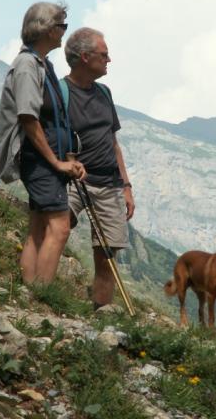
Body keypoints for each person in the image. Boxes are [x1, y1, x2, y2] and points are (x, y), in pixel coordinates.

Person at [0, 2, 85, 284]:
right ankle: (42, 293)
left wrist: (68, 157)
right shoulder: (26, 66)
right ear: (46, 29)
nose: (63, 33)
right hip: (38, 159)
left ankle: (28, 293)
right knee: (59, 227)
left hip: (50, 158)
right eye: (62, 26)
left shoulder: (44, 64)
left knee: (37, 227)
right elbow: (28, 118)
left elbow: (55, 118)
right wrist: (56, 162)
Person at [62, 27, 135, 310]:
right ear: (85, 57)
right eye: (104, 55)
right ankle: (41, 294)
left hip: (109, 185)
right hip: (72, 181)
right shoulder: (60, 92)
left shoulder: (105, 93)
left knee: (107, 257)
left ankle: (101, 315)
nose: (109, 60)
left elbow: (113, 143)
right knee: (55, 232)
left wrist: (126, 186)